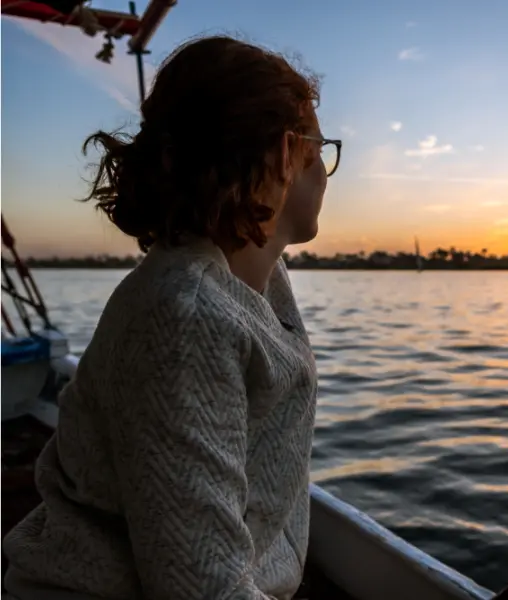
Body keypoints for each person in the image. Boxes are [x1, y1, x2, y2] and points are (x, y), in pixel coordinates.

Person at [3, 35, 340, 600]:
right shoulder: (185, 316)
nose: (326, 173)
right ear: (286, 153)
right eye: (320, 148)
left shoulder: (255, 281)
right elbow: (200, 586)